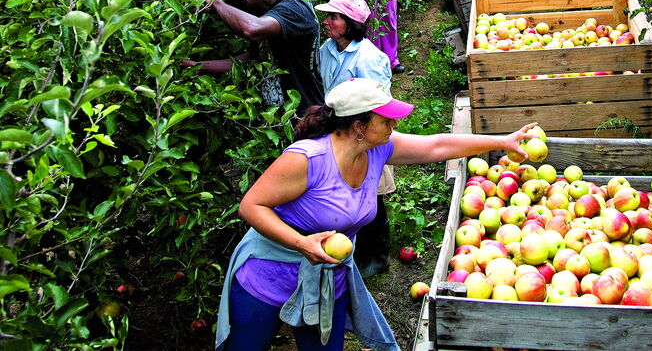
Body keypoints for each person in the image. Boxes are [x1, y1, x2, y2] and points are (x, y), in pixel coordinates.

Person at [214, 77, 536, 351]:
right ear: (358, 126)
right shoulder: (307, 159)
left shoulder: (378, 147)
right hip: (270, 271)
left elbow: (436, 146)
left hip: (327, 272)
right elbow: (251, 205)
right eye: (386, 120)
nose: (393, 126)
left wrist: (502, 141)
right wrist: (301, 243)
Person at [181, 0, 324, 115]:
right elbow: (255, 57)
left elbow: (251, 29)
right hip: (280, 120)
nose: (235, 9)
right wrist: (200, 67)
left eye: (233, 3)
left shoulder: (295, 9)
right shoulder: (270, 15)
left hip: (306, 118)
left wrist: (216, 3)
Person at [314, 0, 393, 279]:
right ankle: (354, 248)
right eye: (328, 16)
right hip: (339, 131)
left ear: (350, 24)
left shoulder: (369, 58)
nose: (327, 21)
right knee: (344, 187)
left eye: (334, 17)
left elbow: (378, 104)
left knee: (372, 191)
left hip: (365, 131)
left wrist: (368, 137)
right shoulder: (325, 50)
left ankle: (378, 255)